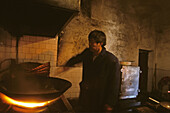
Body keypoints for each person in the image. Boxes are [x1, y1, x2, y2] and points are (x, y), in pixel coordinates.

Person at [65, 30, 120, 112]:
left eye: (92, 42)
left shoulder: (111, 60)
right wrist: (66, 64)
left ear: (100, 43)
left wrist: (110, 103)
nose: (90, 44)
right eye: (89, 42)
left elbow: (114, 83)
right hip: (86, 97)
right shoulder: (88, 53)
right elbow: (78, 58)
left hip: (100, 99)